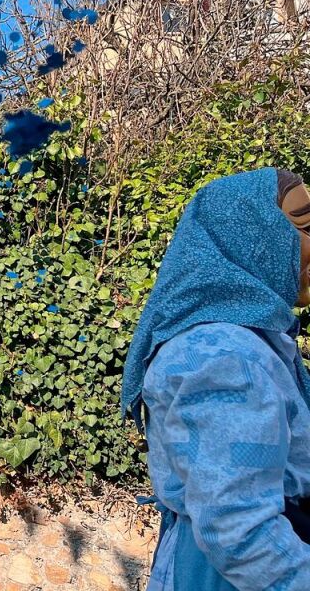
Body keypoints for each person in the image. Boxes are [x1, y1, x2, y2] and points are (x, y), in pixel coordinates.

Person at [121, 168, 310, 590]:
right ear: (251, 237)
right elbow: (239, 531)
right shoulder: (222, 355)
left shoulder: (251, 342)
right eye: (304, 225)